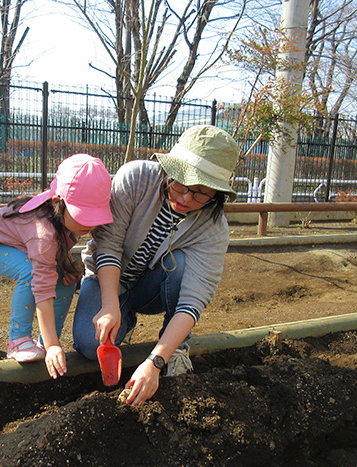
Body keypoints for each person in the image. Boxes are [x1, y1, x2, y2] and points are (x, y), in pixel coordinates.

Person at [72, 125, 239, 405]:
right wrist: (110, 304)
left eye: (201, 193)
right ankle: (123, 315)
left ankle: (176, 347)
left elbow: (193, 300)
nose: (185, 198)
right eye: (181, 184)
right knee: (90, 345)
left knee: (181, 263)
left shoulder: (214, 229)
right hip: (109, 278)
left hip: (153, 290)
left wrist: (155, 362)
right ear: (169, 170)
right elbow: (108, 244)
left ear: (217, 194)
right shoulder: (136, 178)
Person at [0, 154, 112, 379]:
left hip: (24, 245)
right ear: (58, 202)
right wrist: (56, 345)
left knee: (66, 281)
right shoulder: (43, 234)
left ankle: (45, 343)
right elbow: (42, 288)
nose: (89, 223)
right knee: (29, 272)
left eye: (94, 216)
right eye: (83, 215)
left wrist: (66, 266)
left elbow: (58, 248)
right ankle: (19, 340)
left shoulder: (61, 219)